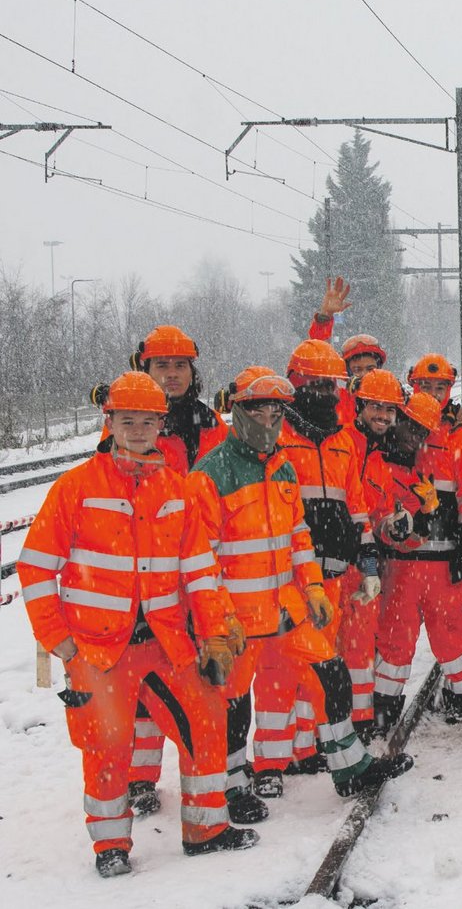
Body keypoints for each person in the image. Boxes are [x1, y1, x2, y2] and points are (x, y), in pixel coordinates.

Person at [17, 372, 256, 877]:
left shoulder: (178, 490)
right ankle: (110, 847)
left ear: (160, 424)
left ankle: (206, 828)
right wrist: (59, 641)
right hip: (98, 650)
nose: (139, 431)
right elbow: (36, 566)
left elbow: (199, 572)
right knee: (106, 746)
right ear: (110, 423)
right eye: (128, 421)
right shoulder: (77, 488)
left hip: (168, 643)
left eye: (148, 422)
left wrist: (213, 631)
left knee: (206, 722)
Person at [189, 367, 412, 824]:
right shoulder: (210, 474)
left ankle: (350, 767)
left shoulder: (283, 468)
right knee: (232, 700)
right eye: (259, 410)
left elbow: (297, 537)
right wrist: (215, 619)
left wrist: (313, 587)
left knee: (330, 676)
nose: (268, 420)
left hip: (286, 607)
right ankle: (232, 785)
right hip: (238, 617)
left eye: (276, 411)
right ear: (238, 411)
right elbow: (199, 559)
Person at [95, 325, 231, 816]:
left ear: (193, 371)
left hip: (201, 568)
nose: (171, 374)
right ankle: (140, 778)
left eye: (179, 366)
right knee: (143, 684)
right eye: (161, 366)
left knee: (206, 682)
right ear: (144, 369)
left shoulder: (212, 425)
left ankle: (217, 775)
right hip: (150, 575)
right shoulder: (134, 424)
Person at [246, 340, 381, 797]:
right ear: (297, 385)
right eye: (316, 384)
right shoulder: (278, 438)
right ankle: (269, 762)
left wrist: (367, 560)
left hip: (335, 574)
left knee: (326, 665)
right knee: (277, 672)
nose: (324, 393)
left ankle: (310, 749)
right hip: (288, 577)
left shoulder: (344, 441)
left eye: (331, 385)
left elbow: (357, 506)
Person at [369, 387, 462, 730]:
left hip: (435, 561)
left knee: (444, 632)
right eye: (410, 426)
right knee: (398, 635)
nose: (413, 435)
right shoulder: (382, 457)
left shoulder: (454, 441)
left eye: (420, 430)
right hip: (405, 563)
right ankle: (385, 705)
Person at [337, 368, 407, 732]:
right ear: (359, 406)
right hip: (331, 565)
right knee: (325, 653)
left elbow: (376, 516)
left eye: (390, 410)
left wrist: (393, 525)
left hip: (365, 568)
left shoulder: (381, 462)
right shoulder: (340, 442)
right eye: (376, 408)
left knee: (361, 650)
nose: (382, 416)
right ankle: (323, 729)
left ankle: (359, 724)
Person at [308, 276, 389, 424]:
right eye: (357, 369)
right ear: (347, 373)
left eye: (370, 368)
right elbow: (315, 356)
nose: (364, 375)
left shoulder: (390, 403)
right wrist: (325, 317)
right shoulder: (337, 402)